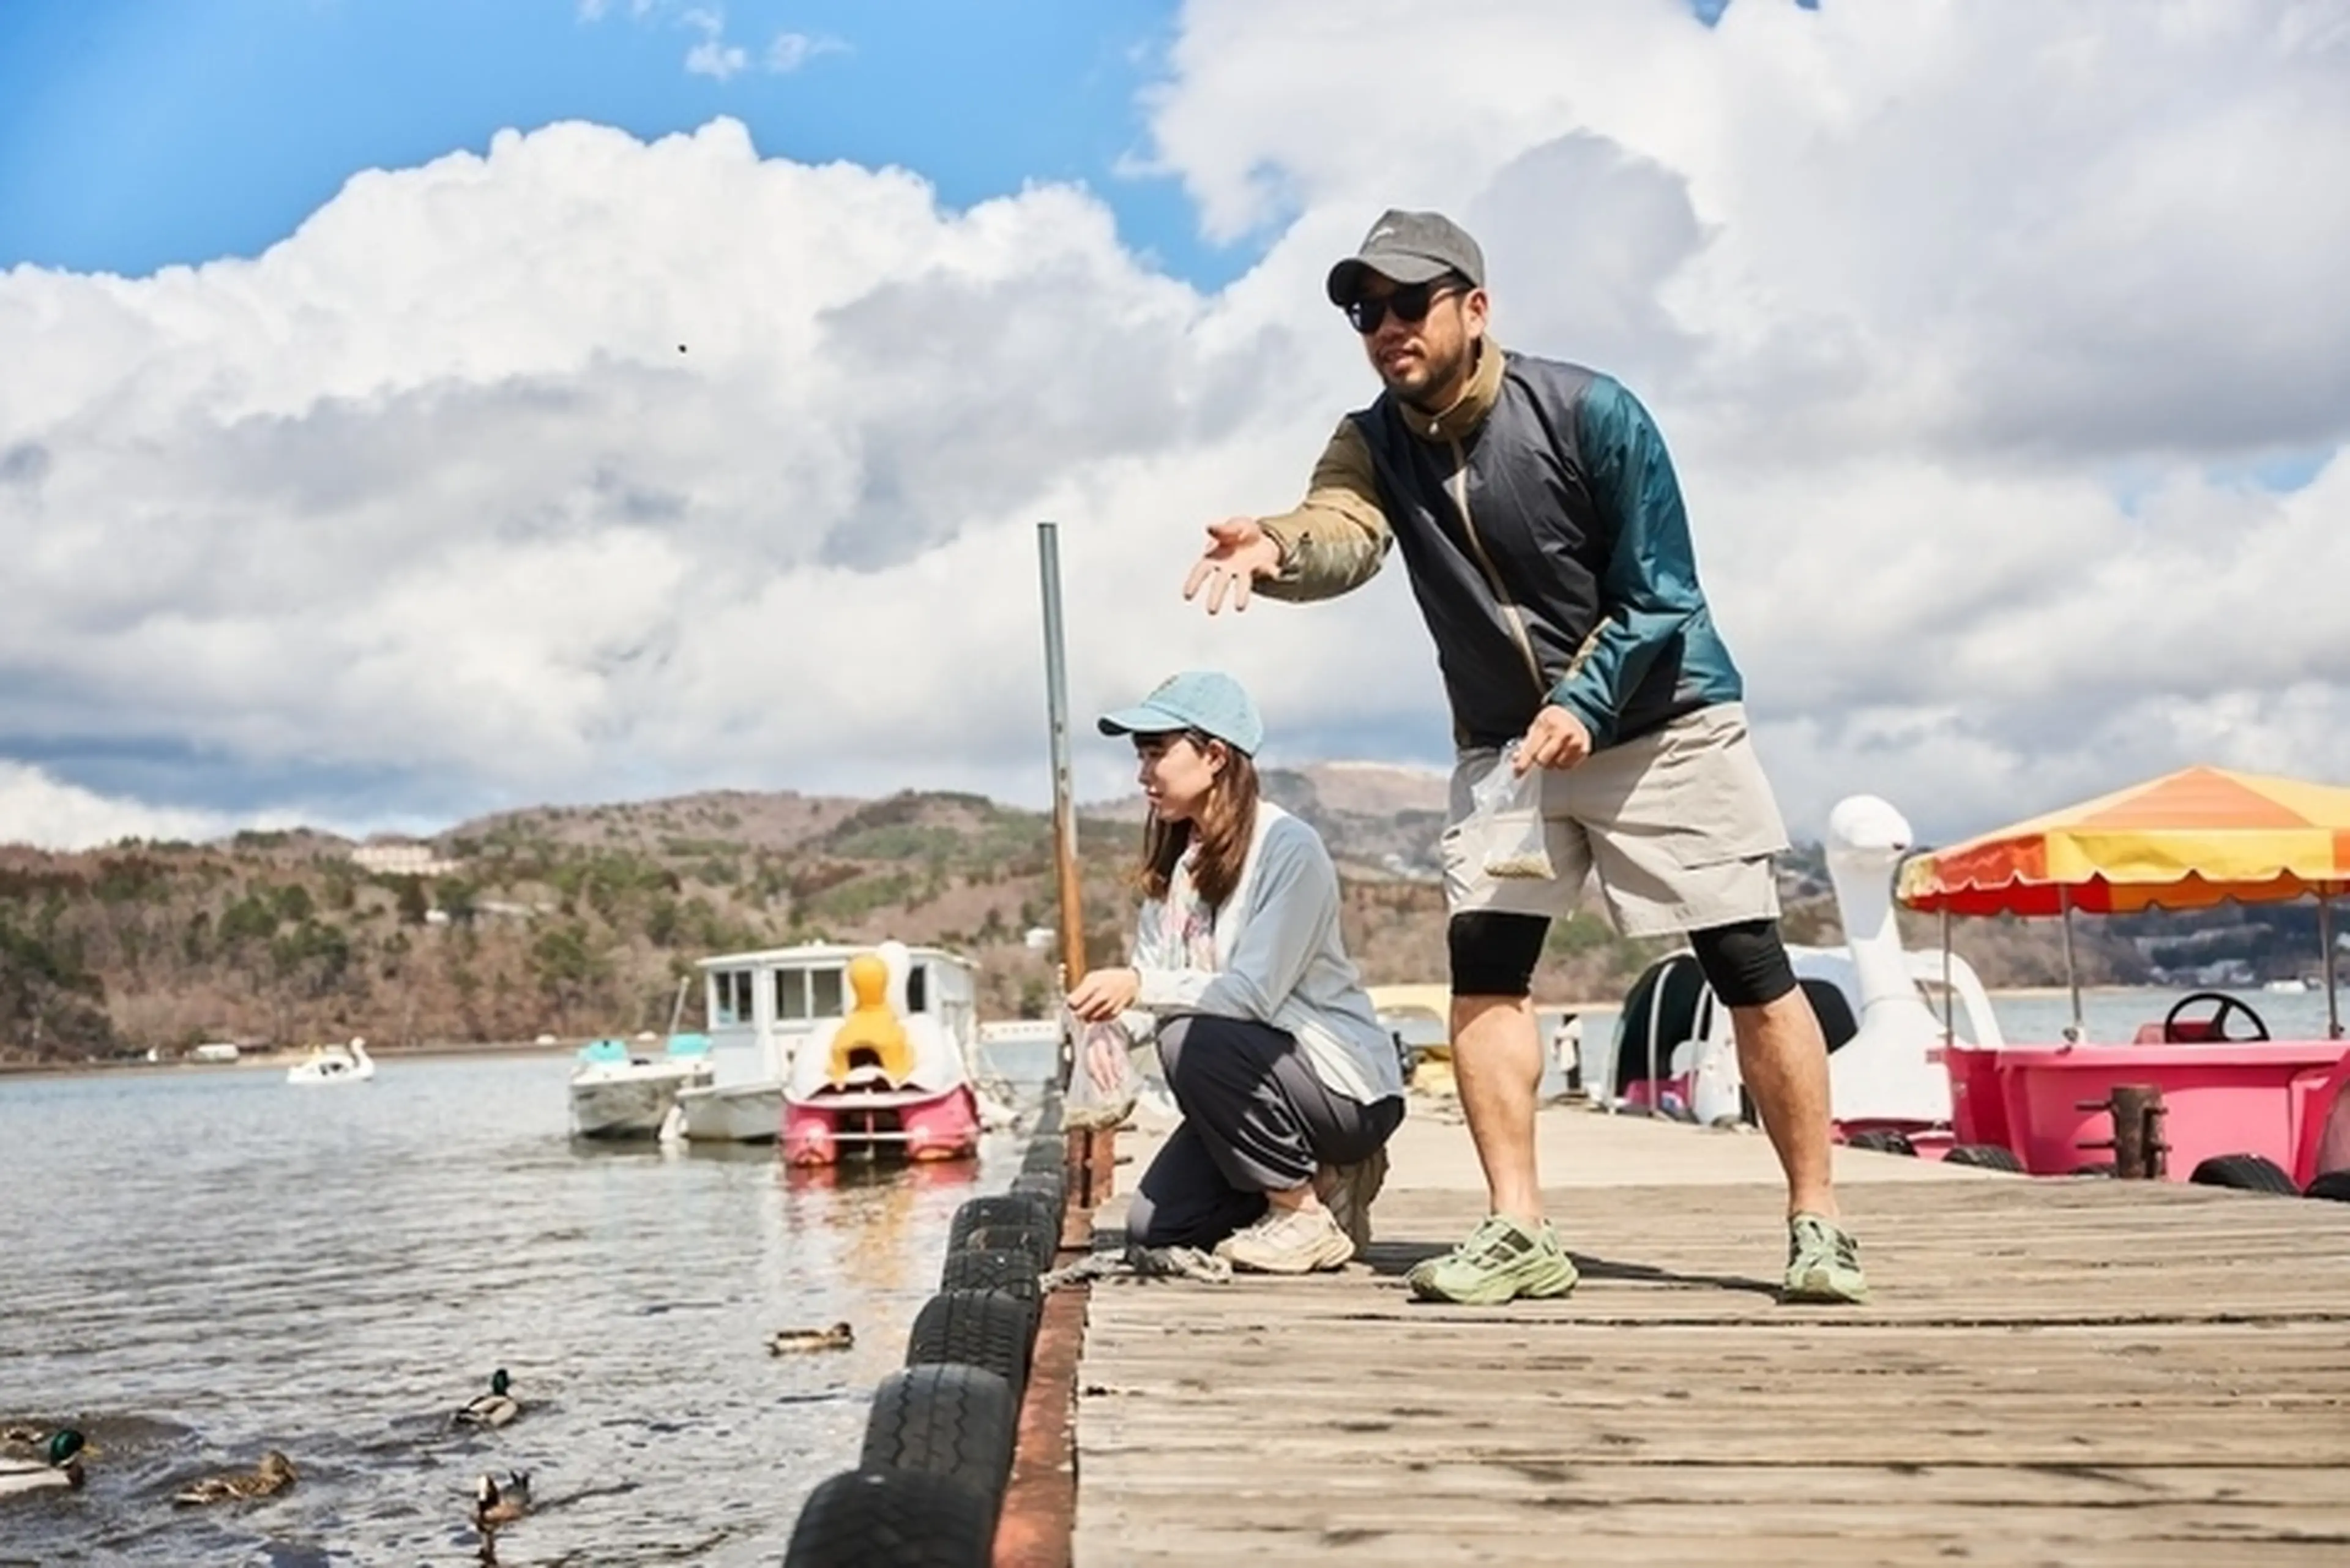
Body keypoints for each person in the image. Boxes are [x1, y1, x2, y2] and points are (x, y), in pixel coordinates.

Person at [1179, 209, 1866, 1306]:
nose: (1386, 326)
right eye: (1366, 311)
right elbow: (1341, 527)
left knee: (1746, 961)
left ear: (1475, 307)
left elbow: (1665, 596)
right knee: (1488, 967)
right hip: (1506, 743)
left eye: (1409, 303)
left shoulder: (1593, 413)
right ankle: (1517, 1230)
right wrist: (1276, 547)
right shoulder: (1373, 439)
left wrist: (1587, 701)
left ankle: (1818, 1222)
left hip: (1662, 719)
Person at [1065, 670, 1407, 1274]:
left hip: (1342, 1088)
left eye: (1155, 754)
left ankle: (1300, 1212)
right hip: (1253, 1081)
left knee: (1190, 1038)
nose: (1143, 774)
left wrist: (1140, 990)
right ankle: (1328, 1182)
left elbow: (1249, 995)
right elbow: (1153, 991)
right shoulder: (1177, 869)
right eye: (1139, 756)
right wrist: (1112, 1030)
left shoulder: (1287, 848)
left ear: (1215, 755)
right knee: (1157, 1230)